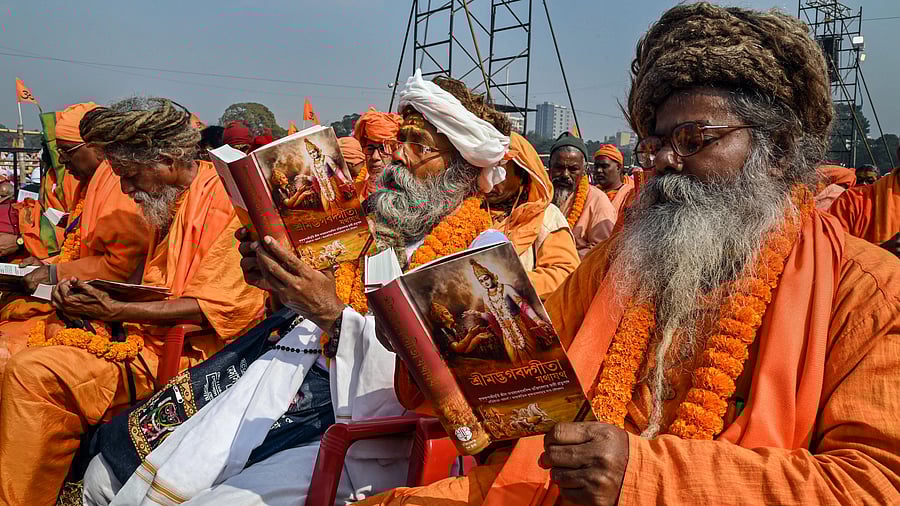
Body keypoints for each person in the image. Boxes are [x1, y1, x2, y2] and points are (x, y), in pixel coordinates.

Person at [364, 3, 900, 505]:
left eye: (693, 138)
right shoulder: (621, 264)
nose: (664, 160)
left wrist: (642, 476)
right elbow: (519, 385)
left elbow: (876, 484)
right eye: (655, 142)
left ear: (778, 151)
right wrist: (426, 343)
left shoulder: (866, 290)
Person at [81, 71, 558, 505]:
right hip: (290, 376)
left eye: (419, 145)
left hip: (376, 435)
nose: (397, 158)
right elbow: (320, 306)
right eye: (400, 140)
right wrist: (276, 281)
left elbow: (463, 396)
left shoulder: (481, 251)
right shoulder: (374, 227)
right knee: (109, 477)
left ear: (462, 162)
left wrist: (333, 316)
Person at [0, 98, 266, 505]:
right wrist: (96, 296)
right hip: (140, 336)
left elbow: (215, 308)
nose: (125, 189)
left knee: (32, 371)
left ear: (164, 159)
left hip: (194, 357)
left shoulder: (226, 200)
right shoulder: (174, 197)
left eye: (129, 176)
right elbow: (155, 284)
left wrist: (117, 310)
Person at [0, 102, 151, 374]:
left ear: (97, 147)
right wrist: (46, 262)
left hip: (104, 314)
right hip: (75, 300)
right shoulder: (90, 184)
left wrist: (53, 272)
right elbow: (81, 249)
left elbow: (120, 268)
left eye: (67, 151)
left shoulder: (119, 188)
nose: (63, 161)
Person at [486, 132, 578, 299]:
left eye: (498, 172)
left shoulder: (546, 216)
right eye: (483, 170)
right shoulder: (463, 209)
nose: (488, 180)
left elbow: (565, 274)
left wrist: (509, 282)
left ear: (522, 175)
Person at [549, 133, 616, 258]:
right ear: (549, 167)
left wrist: (560, 259)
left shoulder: (598, 202)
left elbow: (601, 251)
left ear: (584, 170)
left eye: (573, 169)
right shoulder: (538, 194)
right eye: (559, 167)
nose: (565, 174)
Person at [829, 162, 900, 257]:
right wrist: (883, 252)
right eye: (860, 180)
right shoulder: (851, 201)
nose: (863, 184)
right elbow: (831, 249)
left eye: (869, 180)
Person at [353, 108, 402, 200]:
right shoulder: (354, 193)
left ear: (397, 153)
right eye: (370, 149)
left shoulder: (409, 195)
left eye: (383, 149)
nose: (375, 157)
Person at [592, 144, 634, 214]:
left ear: (618, 168)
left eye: (604, 166)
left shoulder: (630, 194)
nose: (599, 170)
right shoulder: (591, 193)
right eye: (596, 166)